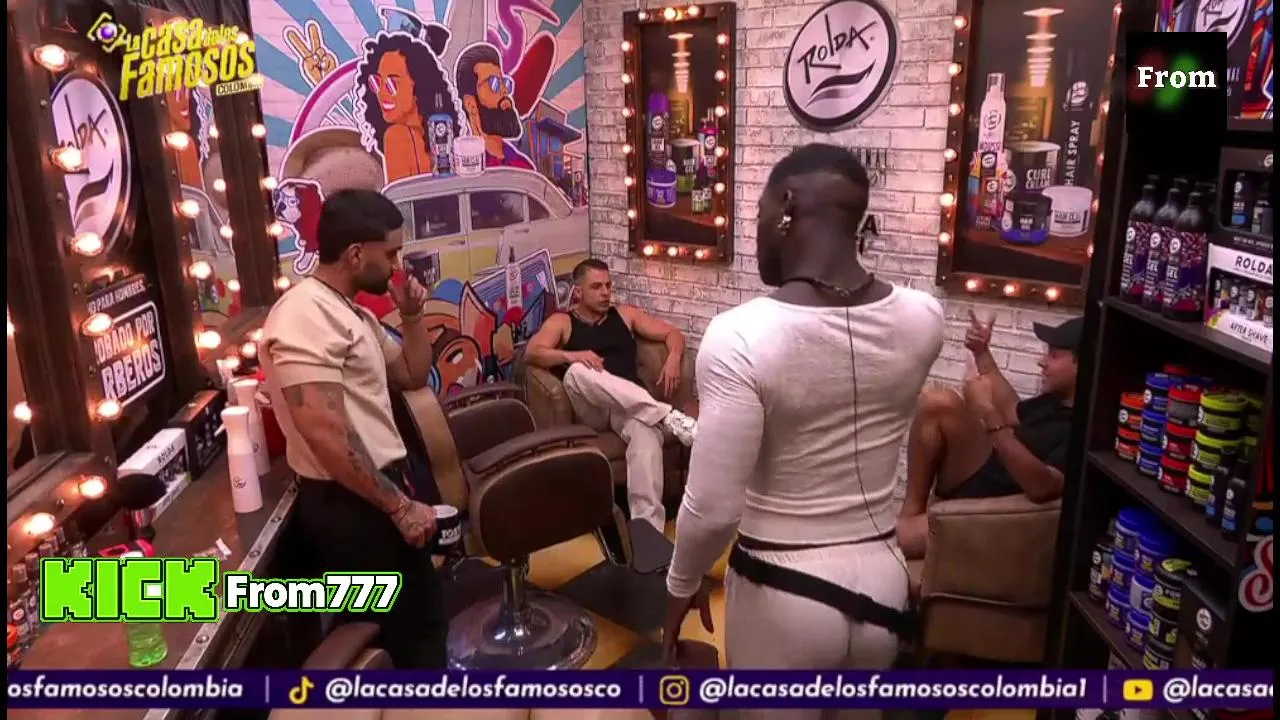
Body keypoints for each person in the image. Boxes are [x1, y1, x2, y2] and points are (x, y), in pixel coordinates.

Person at [660, 144, 945, 707]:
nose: (757, 230)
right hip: (886, 587)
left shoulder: (741, 335)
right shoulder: (923, 317)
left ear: (786, 204)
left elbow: (713, 508)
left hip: (781, 594)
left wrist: (680, 586)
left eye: (760, 211)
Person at [260, 189, 445, 668]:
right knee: (400, 639)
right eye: (391, 254)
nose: (397, 265)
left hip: (378, 490)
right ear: (356, 254)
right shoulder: (304, 314)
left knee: (421, 623)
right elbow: (327, 435)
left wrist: (412, 315)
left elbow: (412, 374)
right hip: (353, 502)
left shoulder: (352, 312)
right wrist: (399, 506)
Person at [524, 259, 697, 532]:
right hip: (592, 408)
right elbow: (532, 352)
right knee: (578, 371)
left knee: (645, 434)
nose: (605, 293)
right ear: (578, 291)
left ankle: (647, 531)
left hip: (629, 407)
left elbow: (672, 333)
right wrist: (572, 356)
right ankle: (668, 416)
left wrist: (674, 357)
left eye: (608, 286)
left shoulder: (625, 315)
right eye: (596, 287)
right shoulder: (563, 322)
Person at [896, 312, 1081, 560]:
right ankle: (910, 513)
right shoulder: (1056, 401)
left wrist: (987, 413)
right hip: (987, 470)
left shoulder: (1081, 429)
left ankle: (906, 530)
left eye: (1054, 355)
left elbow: (1042, 487)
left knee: (884, 542)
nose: (1042, 362)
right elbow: (1012, 410)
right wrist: (982, 352)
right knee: (938, 402)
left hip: (993, 501)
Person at [454, 42, 536, 170]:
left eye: (505, 82)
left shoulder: (523, 167)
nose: (504, 91)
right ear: (470, 104)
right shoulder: (462, 168)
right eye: (494, 83)